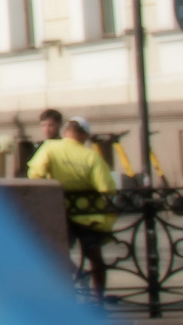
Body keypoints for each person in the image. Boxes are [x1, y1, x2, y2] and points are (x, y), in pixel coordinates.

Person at [27, 115, 117, 298]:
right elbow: (107, 189)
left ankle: (61, 297)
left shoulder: (50, 148)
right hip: (88, 217)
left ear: (66, 132)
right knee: (94, 256)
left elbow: (35, 175)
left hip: (58, 212)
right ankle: (98, 298)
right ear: (84, 136)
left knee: (55, 254)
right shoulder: (91, 156)